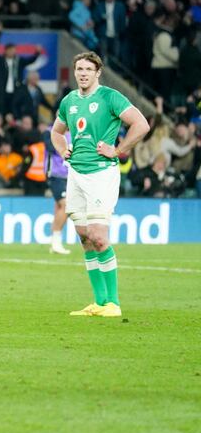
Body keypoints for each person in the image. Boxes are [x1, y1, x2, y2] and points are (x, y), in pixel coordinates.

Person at [51, 52, 149, 318]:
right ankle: (99, 302)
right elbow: (56, 132)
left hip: (101, 174)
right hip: (76, 175)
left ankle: (113, 304)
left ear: (98, 73)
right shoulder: (69, 101)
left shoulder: (110, 97)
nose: (82, 73)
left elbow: (141, 124)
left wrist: (118, 150)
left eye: (87, 69)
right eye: (79, 69)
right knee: (84, 237)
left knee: (98, 236)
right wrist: (62, 151)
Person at [43, 127, 72, 255]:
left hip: (69, 175)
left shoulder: (74, 133)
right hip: (54, 174)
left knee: (59, 207)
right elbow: (50, 147)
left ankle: (55, 243)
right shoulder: (49, 132)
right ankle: (56, 240)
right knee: (65, 204)